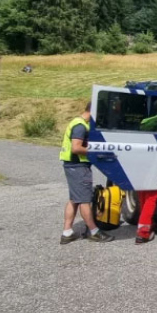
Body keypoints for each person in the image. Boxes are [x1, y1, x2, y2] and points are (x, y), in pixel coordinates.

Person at [60, 103, 113, 244]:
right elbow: (76, 148)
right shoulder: (81, 126)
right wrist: (95, 151)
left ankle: (67, 232)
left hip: (72, 165)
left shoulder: (78, 123)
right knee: (84, 200)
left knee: (74, 199)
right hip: (78, 166)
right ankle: (93, 231)